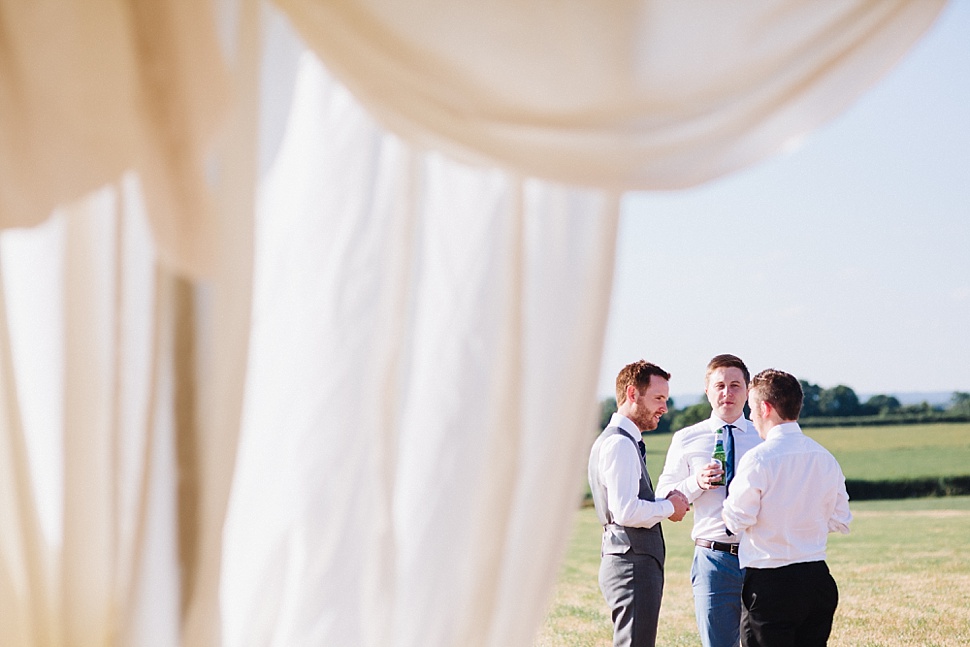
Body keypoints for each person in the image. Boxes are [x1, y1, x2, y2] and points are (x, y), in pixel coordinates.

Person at [722, 369, 852, 647]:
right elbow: (841, 518)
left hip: (770, 583)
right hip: (817, 579)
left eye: (751, 410)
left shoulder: (758, 459)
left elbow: (736, 519)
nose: (751, 417)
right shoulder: (824, 457)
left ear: (765, 408)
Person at [656, 354, 762, 647]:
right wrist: (695, 483)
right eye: (719, 386)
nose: (727, 393)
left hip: (761, 556)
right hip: (713, 559)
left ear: (748, 390)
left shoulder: (763, 436)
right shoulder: (687, 438)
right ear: (707, 391)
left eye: (735, 385)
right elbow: (663, 495)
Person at [588, 360, 690, 647]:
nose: (664, 408)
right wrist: (670, 507)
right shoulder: (620, 445)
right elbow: (626, 511)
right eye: (658, 398)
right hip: (632, 566)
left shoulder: (613, 441)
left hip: (626, 559)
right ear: (632, 394)